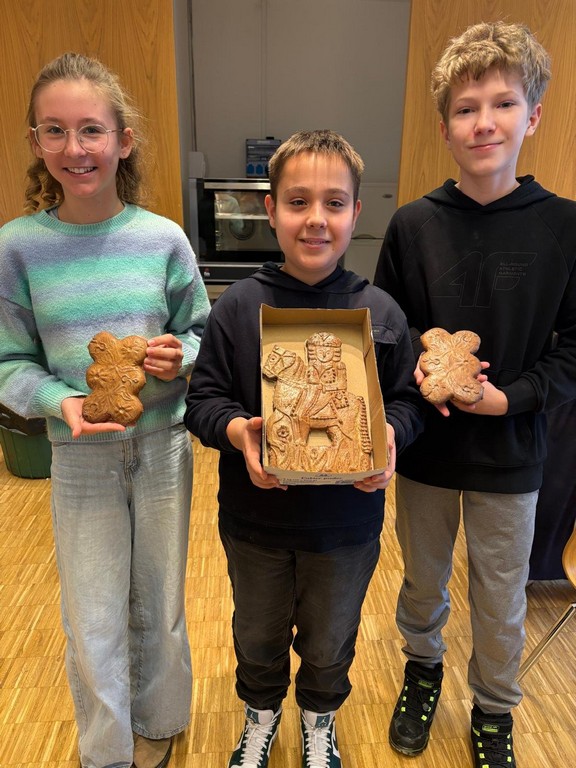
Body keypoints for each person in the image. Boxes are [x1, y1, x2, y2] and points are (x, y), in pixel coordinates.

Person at [184, 129, 423, 768]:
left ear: (355, 212)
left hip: (346, 525)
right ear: (270, 210)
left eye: (334, 203)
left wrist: (390, 434)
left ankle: (320, 721)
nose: (316, 218)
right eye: (297, 201)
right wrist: (239, 431)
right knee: (256, 636)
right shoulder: (238, 307)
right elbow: (201, 402)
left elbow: (407, 403)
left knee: (330, 641)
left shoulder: (381, 314)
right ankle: (260, 717)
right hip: (255, 523)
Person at [373, 21, 576, 768]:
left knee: (501, 595)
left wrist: (510, 399)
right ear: (444, 127)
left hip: (512, 452)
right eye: (465, 108)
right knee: (422, 581)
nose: (483, 122)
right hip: (428, 450)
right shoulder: (413, 225)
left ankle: (495, 708)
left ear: (534, 115)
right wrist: (419, 378)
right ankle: (422, 670)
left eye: (502, 103)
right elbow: (389, 329)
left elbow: (574, 349)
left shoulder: (565, 227)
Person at [0, 53, 211, 768]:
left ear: (124, 139)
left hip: (162, 448)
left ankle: (159, 719)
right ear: (36, 143)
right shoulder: (18, 248)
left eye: (91, 129)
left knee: (161, 599)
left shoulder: (163, 239)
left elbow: (200, 331)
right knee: (91, 613)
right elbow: (8, 360)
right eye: (54, 130)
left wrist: (179, 357)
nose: (75, 147)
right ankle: (106, 748)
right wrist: (58, 400)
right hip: (78, 456)